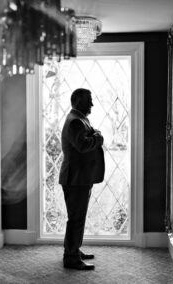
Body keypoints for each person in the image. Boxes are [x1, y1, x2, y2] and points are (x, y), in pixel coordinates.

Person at [59, 88, 105, 270]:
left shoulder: (79, 119)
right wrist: (98, 138)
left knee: (77, 217)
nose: (92, 104)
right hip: (75, 179)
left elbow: (90, 134)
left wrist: (95, 134)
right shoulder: (75, 122)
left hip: (79, 177)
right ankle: (71, 257)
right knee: (76, 218)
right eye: (89, 100)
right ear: (78, 101)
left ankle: (73, 250)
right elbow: (83, 145)